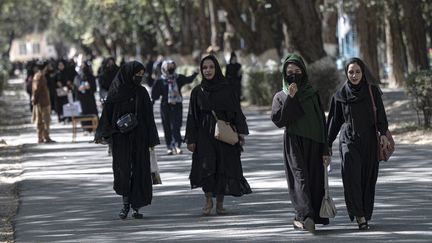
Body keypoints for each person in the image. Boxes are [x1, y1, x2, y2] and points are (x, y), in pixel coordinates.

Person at [327, 57, 389, 230]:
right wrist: (326, 145)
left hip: (369, 140)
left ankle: (365, 212)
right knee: (352, 178)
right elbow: (333, 122)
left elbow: (381, 115)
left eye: (357, 71)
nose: (354, 75)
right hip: (348, 141)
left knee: (368, 178)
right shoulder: (340, 95)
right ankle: (360, 216)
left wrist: (383, 133)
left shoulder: (372, 91)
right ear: (346, 74)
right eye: (351, 72)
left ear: (363, 72)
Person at [185, 55, 252, 216]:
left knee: (223, 167)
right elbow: (192, 116)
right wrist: (191, 139)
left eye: (211, 67)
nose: (208, 70)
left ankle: (220, 203)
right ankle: (208, 201)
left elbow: (237, 111)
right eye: (205, 68)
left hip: (224, 135)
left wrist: (240, 133)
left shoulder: (227, 89)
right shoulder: (197, 91)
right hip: (204, 136)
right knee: (207, 167)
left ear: (217, 69)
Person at [270, 54, 330, 233]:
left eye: (297, 71)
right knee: (300, 177)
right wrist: (291, 98)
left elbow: (321, 121)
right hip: (294, 142)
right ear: (284, 74)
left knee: (314, 179)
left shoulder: (312, 94)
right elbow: (280, 120)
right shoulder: (280, 96)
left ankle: (307, 216)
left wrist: (326, 149)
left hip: (315, 143)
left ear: (303, 72)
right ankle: (306, 215)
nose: (294, 75)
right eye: (289, 72)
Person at [95, 61, 160, 219]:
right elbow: (107, 115)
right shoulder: (115, 92)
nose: (139, 77)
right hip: (121, 139)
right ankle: (125, 204)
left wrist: (151, 140)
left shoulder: (142, 92)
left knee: (139, 170)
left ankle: (136, 207)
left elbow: (148, 117)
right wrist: (104, 134)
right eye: (136, 74)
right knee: (123, 171)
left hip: (140, 138)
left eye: (141, 75)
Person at [151, 59, 198, 155]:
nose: (170, 68)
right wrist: (150, 104)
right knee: (167, 126)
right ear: (163, 68)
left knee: (176, 126)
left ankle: (177, 146)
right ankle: (169, 146)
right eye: (168, 67)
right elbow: (154, 95)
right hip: (165, 106)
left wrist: (195, 74)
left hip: (177, 105)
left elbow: (188, 80)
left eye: (172, 66)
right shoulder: (160, 81)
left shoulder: (178, 78)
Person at [31, 60, 56, 143]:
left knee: (41, 120)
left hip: (41, 101)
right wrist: (34, 98)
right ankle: (45, 136)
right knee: (45, 120)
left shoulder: (38, 75)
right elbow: (36, 89)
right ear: (45, 67)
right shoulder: (40, 76)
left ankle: (41, 137)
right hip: (43, 101)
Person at [75, 60, 98, 131]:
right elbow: (75, 87)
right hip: (82, 99)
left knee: (92, 113)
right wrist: (79, 87)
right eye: (82, 66)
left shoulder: (91, 77)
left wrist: (89, 87)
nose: (84, 68)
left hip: (90, 98)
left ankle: (94, 127)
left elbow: (94, 88)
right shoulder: (78, 77)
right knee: (84, 113)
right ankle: (85, 128)